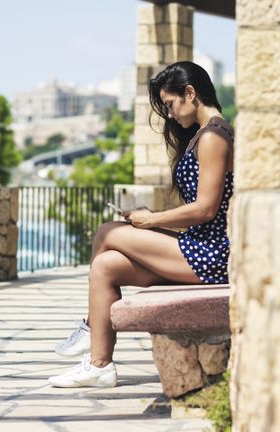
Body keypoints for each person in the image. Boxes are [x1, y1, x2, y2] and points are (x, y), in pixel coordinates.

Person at [48, 61, 234, 388]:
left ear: (190, 93)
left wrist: (153, 220)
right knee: (105, 266)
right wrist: (152, 216)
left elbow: (206, 209)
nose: (170, 113)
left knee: (108, 231)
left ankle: (92, 325)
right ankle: (99, 366)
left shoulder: (213, 136)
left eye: (171, 104)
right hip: (198, 246)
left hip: (213, 255)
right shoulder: (202, 135)